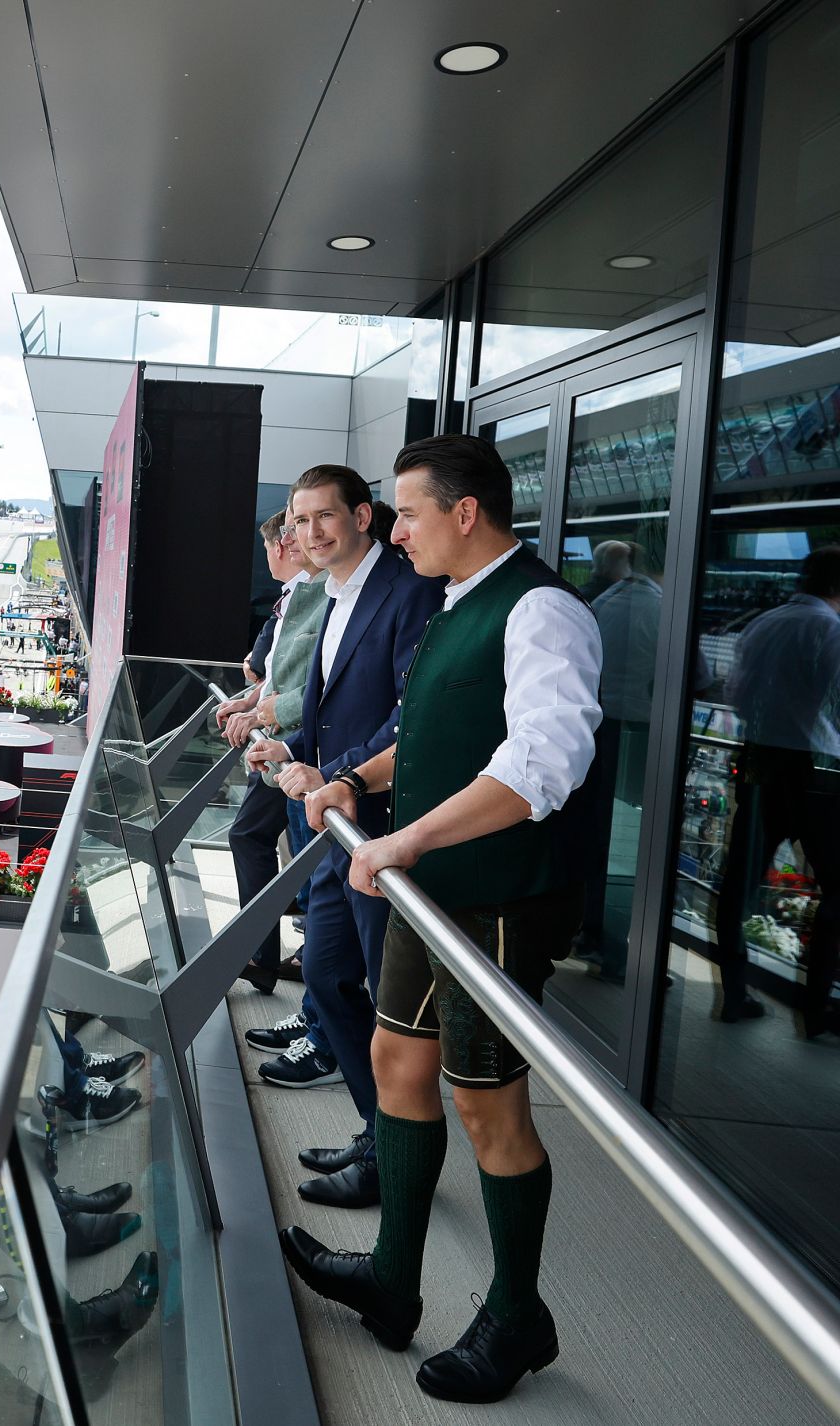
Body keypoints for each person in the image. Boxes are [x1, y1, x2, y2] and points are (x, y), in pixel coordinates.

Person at [280, 434, 601, 1404]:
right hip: (431, 892)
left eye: (409, 513)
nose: (398, 529)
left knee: (485, 1105)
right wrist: (350, 779)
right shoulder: (456, 605)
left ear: (465, 513)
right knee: (395, 1063)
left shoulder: (540, 609)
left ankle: (515, 1314)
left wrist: (404, 838)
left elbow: (542, 763)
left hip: (494, 897)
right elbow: (421, 731)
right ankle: (392, 1275)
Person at [243, 463, 443, 1207]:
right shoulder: (333, 592)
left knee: (386, 1005)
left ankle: (394, 1156)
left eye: (325, 516)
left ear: (365, 516)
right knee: (327, 977)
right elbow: (333, 708)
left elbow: (409, 716)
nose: (310, 533)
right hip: (338, 822)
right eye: (299, 522)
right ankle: (377, 1131)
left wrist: (346, 777)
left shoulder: (408, 589)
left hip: (380, 826)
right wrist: (297, 755)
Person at [713, 545, 840, 1037]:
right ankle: (815, 1010)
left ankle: (734, 993)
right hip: (817, 774)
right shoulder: (829, 630)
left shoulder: (764, 623)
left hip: (761, 763)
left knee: (738, 885)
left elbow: (735, 695)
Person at [220, 509, 327, 990]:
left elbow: (307, 684)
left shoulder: (320, 594)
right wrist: (252, 701)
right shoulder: (300, 594)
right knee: (287, 853)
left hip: (303, 753)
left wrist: (260, 713)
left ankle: (273, 959)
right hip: (286, 749)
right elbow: (275, 672)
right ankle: (270, 957)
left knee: (287, 853)